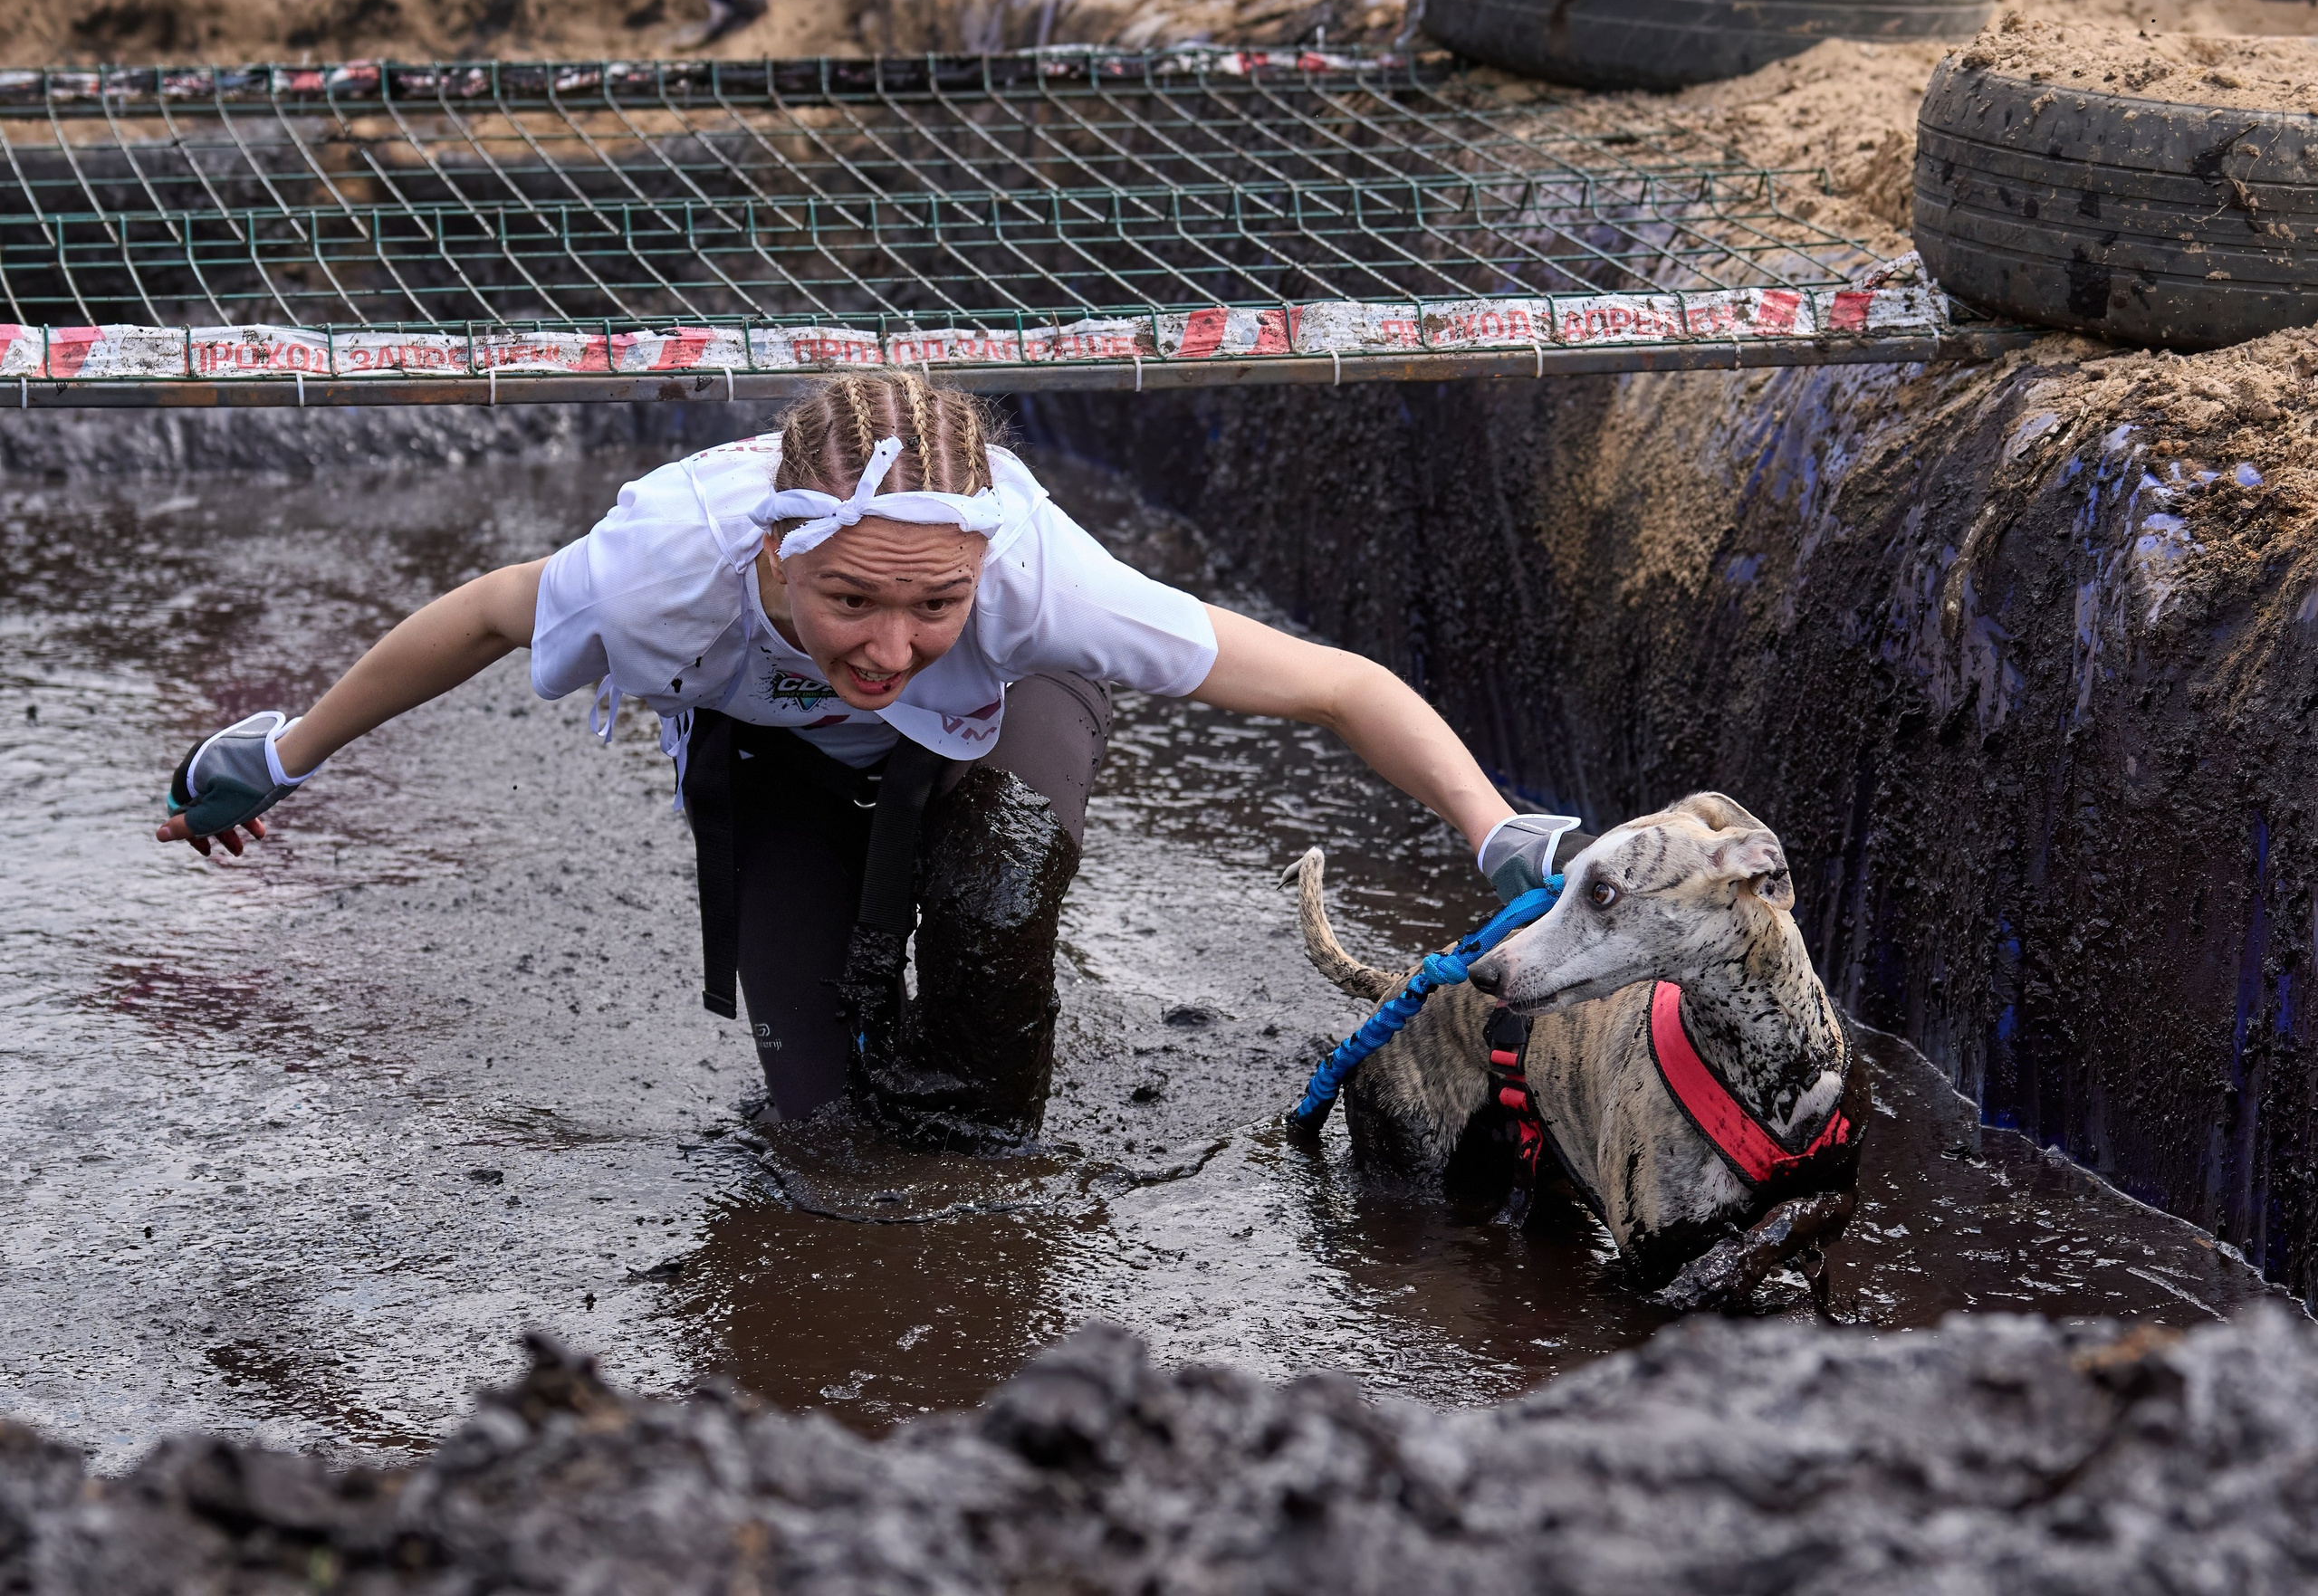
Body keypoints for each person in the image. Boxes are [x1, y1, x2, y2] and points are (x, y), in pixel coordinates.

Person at [160, 372, 1576, 1144]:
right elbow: (475, 617)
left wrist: (1493, 828)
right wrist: (282, 751)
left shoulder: (1038, 586)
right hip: (768, 739)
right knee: (815, 1112)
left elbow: (1338, 686)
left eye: (930, 604)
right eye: (852, 599)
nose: (894, 642)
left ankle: (988, 1161)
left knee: (997, 896)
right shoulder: (666, 564)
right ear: (775, 551)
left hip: (1010, 719)